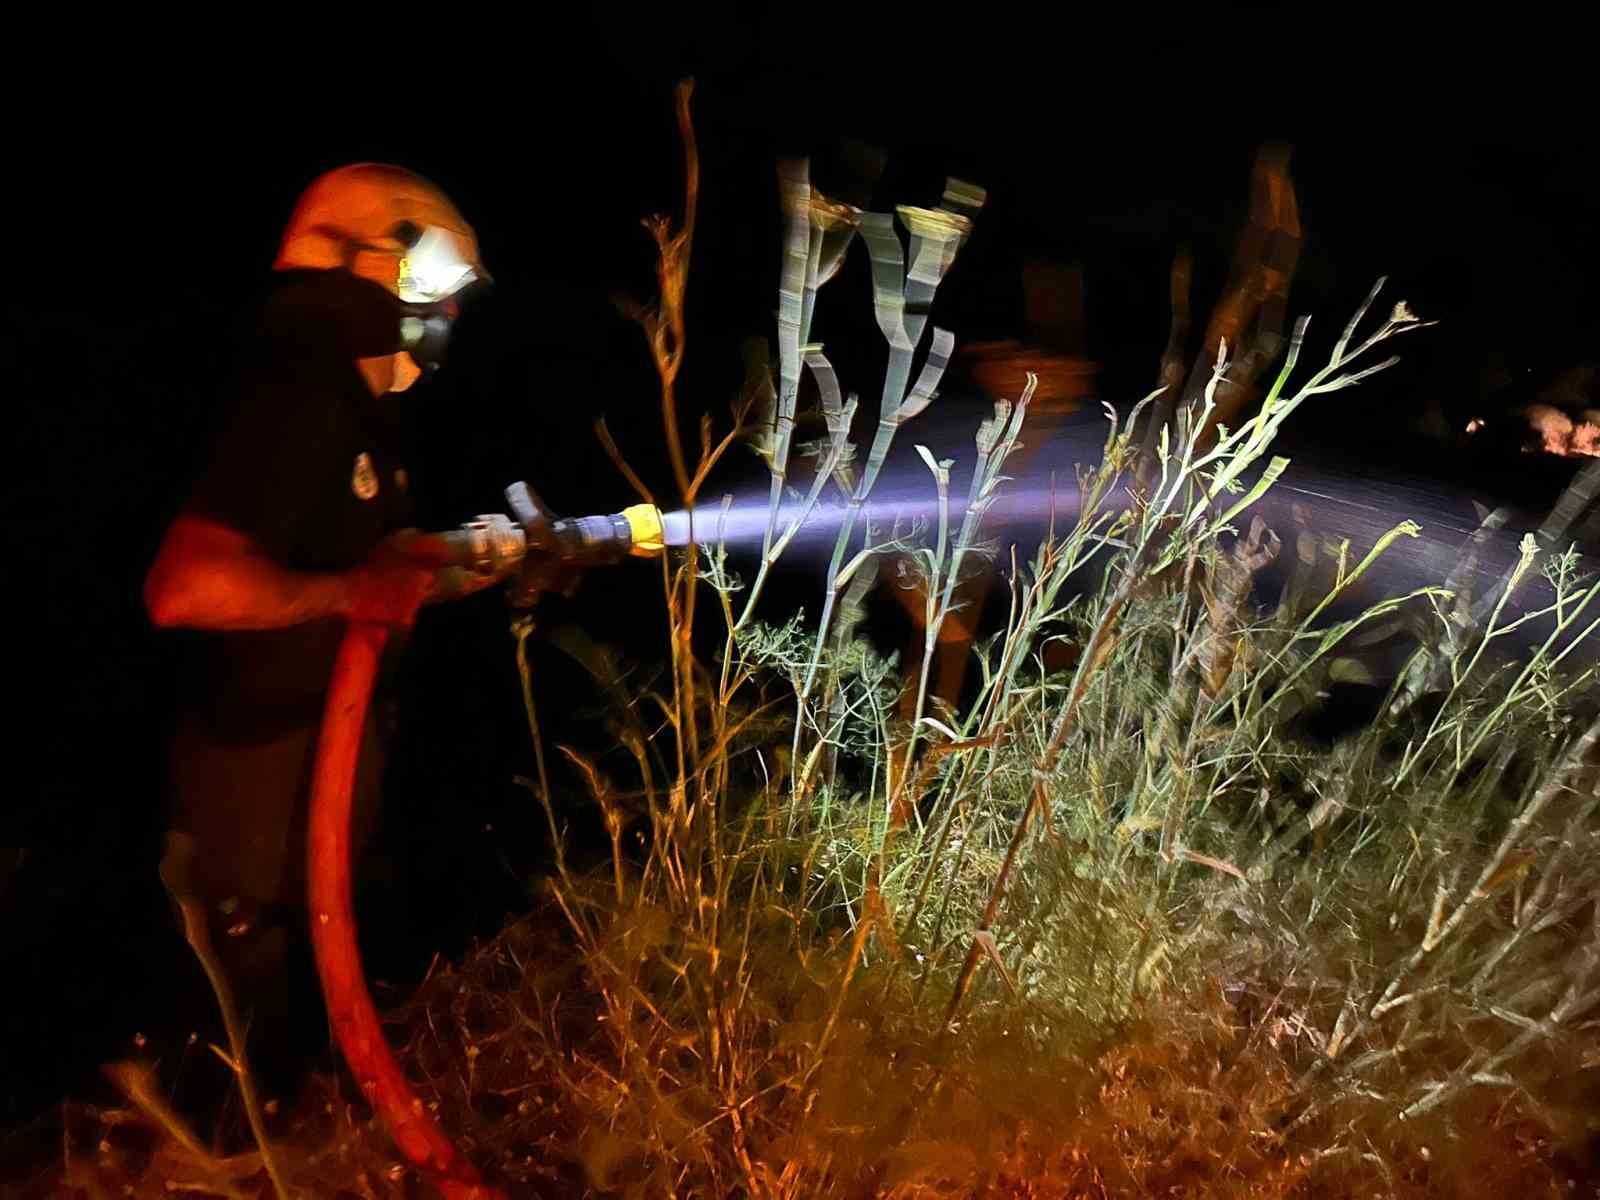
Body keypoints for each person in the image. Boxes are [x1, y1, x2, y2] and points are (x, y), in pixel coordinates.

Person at [142, 164, 501, 1110]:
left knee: (286, 1067)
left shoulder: (349, 403)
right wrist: (356, 588)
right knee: (225, 1080)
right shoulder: (296, 378)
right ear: (363, 262)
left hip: (304, 810)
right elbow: (185, 588)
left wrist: (481, 563)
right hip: (244, 815)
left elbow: (374, 565)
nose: (445, 316)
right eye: (432, 285)